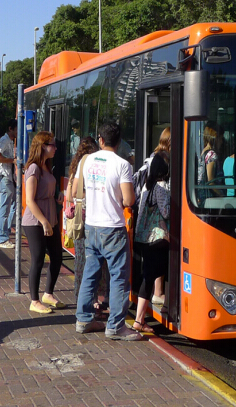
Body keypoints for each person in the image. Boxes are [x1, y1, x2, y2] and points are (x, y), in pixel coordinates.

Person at [74, 122, 141, 341]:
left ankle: (83, 319)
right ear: (119, 141)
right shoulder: (123, 165)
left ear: (100, 140)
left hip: (92, 226)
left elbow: (78, 189)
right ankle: (115, 327)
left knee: (90, 275)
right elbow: (129, 200)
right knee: (118, 278)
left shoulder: (86, 160)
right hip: (113, 228)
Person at [65, 136, 110, 316]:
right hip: (91, 219)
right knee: (93, 264)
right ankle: (90, 303)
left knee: (80, 263)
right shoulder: (92, 166)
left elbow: (70, 195)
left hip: (78, 220)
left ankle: (80, 299)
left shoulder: (75, 168)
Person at [23, 131, 65, 314]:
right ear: (42, 146)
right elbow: (30, 200)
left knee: (57, 256)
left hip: (50, 217)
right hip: (35, 221)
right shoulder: (33, 168)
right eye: (52, 145)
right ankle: (34, 300)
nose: (55, 148)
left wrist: (57, 196)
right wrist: (44, 222)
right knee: (38, 259)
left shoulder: (47, 167)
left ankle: (48, 293)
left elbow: (47, 191)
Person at [132, 151, 171, 334]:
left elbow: (141, 214)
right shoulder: (162, 188)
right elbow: (166, 212)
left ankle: (140, 318)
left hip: (145, 238)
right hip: (158, 239)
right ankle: (140, 320)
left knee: (148, 275)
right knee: (156, 275)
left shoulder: (147, 187)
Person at [0, 119, 18, 248]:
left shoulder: (9, 141)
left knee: (11, 205)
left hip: (6, 177)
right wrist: (12, 160)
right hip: (3, 177)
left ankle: (3, 231)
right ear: (10, 128)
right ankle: (2, 238)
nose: (19, 132)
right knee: (5, 207)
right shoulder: (4, 140)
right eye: (17, 128)